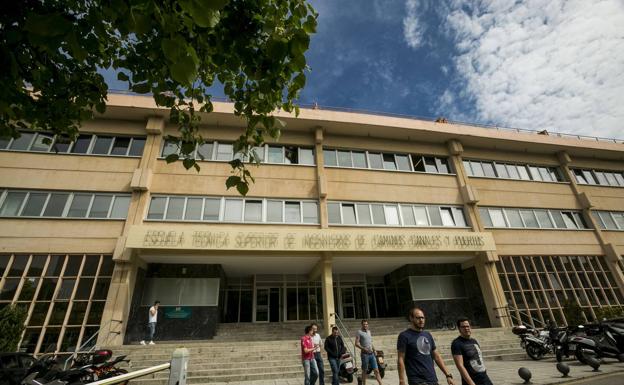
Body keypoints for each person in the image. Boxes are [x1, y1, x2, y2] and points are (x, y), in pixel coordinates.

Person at [397, 306, 455, 385]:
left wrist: (448, 375)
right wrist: (401, 380)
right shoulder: (404, 336)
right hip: (417, 381)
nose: (421, 320)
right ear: (411, 318)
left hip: (432, 379)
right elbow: (401, 359)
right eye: (418, 318)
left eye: (423, 318)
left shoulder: (427, 335)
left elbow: (436, 356)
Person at [451, 318, 492, 385]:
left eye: (468, 326)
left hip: (484, 378)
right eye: (463, 327)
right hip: (472, 380)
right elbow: (460, 365)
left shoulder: (474, 341)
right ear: (459, 329)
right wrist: (470, 382)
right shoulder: (457, 343)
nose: (466, 328)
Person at [355, 319, 383, 385]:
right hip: (365, 355)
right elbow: (356, 343)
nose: (365, 325)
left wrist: (374, 350)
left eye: (366, 324)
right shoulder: (359, 332)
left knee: (376, 370)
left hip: (372, 354)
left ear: (368, 325)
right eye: (364, 324)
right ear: (362, 324)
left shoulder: (369, 332)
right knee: (364, 371)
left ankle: (381, 384)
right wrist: (363, 348)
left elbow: (370, 343)